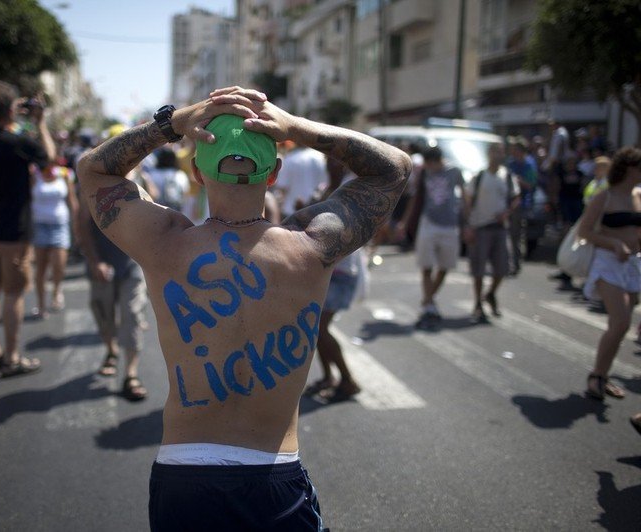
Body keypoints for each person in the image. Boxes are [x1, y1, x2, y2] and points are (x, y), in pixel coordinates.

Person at [77, 87, 410, 530]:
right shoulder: (311, 246)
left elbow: (93, 170)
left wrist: (173, 123)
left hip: (183, 477)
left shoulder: (163, 242)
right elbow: (393, 169)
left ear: (197, 172)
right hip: (272, 474)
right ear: (272, 175)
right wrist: (295, 127)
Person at [0, 80, 55, 377]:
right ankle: (12, 357)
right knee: (14, 294)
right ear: (10, 109)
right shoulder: (18, 141)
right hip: (13, 230)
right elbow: (49, 160)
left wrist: (11, 114)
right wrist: (40, 123)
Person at [578, 146, 641, 401]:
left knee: (619, 326)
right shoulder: (604, 196)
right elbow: (584, 232)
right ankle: (597, 376)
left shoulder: (638, 196)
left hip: (633, 265)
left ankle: (603, 375)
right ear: (628, 168)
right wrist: (614, 244)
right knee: (621, 321)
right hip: (608, 264)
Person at [77, 182, 148, 401]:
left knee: (132, 313)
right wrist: (94, 261)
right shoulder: (92, 179)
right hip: (103, 263)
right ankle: (112, 350)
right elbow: (81, 225)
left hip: (133, 263)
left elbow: (154, 218)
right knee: (104, 315)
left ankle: (131, 374)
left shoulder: (139, 179)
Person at [306, 156, 362, 401]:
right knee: (316, 328)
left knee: (320, 327)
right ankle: (329, 376)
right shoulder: (326, 189)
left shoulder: (348, 192)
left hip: (340, 270)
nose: (332, 166)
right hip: (324, 269)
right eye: (329, 161)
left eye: (337, 162)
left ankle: (348, 380)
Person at [396, 146, 465, 328]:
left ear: (437, 161)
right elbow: (416, 197)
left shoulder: (454, 171)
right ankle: (429, 305)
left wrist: (467, 222)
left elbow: (465, 196)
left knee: (445, 266)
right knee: (426, 266)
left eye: (429, 164)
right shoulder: (425, 173)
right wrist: (405, 221)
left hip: (450, 224)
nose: (427, 167)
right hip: (429, 223)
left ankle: (428, 299)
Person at [464, 143, 520, 324]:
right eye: (495, 151)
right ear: (488, 154)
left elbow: (515, 198)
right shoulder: (480, 176)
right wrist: (469, 225)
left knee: (502, 268)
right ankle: (478, 302)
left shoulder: (507, 176)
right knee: (478, 269)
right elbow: (468, 200)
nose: (498, 155)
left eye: (501, 152)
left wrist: (507, 212)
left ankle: (490, 294)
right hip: (481, 227)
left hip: (500, 228)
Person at [31, 160, 77, 319]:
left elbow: (71, 200)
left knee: (59, 264)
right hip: (39, 225)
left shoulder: (65, 175)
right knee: (41, 268)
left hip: (60, 225)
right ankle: (41, 303)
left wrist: (77, 225)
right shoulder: (33, 174)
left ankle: (57, 289)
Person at [506, 136, 538, 272]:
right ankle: (506, 262)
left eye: (514, 149)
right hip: (507, 202)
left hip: (521, 204)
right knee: (506, 234)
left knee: (516, 234)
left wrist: (519, 181)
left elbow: (531, 185)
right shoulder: (510, 163)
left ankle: (516, 262)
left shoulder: (529, 164)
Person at [274, 141, 328, 217]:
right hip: (315, 210)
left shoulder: (290, 158)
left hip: (291, 211)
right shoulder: (321, 158)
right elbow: (325, 184)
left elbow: (282, 188)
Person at [146, 146, 190, 212]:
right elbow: (185, 193)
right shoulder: (180, 174)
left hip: (157, 209)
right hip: (176, 210)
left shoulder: (153, 174)